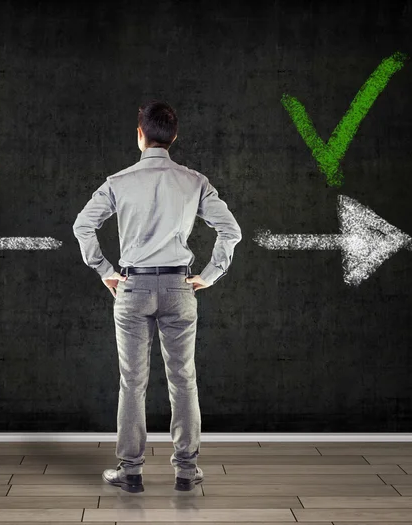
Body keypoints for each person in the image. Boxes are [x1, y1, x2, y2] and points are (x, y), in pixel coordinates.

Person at [72, 99, 242, 492]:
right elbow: (230, 231)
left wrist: (104, 271)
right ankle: (186, 470)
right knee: (183, 379)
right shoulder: (195, 181)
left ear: (140, 135)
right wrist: (210, 275)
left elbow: (83, 226)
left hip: (131, 288)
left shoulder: (117, 181)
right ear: (174, 137)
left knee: (132, 382)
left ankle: (130, 472)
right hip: (179, 287)